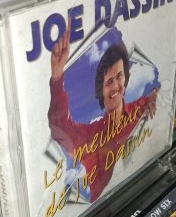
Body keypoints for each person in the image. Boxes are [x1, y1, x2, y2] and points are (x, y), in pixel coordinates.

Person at [48, 25, 158, 202]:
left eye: (119, 76)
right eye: (108, 82)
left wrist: (154, 95)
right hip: (102, 207)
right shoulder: (90, 135)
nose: (115, 86)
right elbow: (60, 127)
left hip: (142, 188)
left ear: (126, 79)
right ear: (101, 92)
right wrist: (57, 77)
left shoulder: (138, 108)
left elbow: (155, 93)